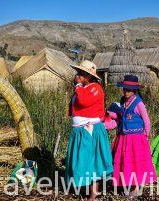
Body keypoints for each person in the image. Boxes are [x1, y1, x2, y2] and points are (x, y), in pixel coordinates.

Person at [65, 60, 113, 201]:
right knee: (83, 161)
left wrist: (78, 85)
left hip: (89, 131)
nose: (77, 75)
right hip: (80, 131)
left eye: (81, 73)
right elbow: (74, 106)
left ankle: (94, 192)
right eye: (78, 73)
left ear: (88, 75)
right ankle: (88, 190)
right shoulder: (82, 88)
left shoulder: (95, 88)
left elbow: (84, 101)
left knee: (92, 161)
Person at [109, 75, 157, 196]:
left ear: (134, 90)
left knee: (136, 161)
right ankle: (127, 183)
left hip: (136, 138)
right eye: (124, 89)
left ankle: (135, 187)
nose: (126, 91)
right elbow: (120, 117)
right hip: (124, 137)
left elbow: (146, 120)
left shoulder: (138, 103)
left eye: (129, 89)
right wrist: (108, 116)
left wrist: (145, 135)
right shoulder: (123, 102)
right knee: (125, 161)